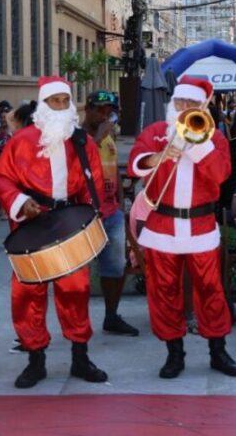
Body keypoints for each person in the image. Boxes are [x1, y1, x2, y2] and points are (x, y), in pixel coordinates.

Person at [0, 76, 108, 389]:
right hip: (31, 225)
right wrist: (20, 201)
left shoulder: (81, 142)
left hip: (69, 226)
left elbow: (93, 184)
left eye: (64, 101)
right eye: (53, 101)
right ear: (42, 105)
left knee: (76, 291)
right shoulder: (21, 141)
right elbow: (0, 178)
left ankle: (80, 357)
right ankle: (35, 360)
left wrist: (90, 221)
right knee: (28, 294)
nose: (59, 106)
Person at [127, 75, 236, 379]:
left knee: (211, 290)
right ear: (172, 102)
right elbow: (135, 164)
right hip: (162, 226)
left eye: (192, 103)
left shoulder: (215, 138)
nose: (184, 108)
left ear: (202, 106)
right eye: (180, 102)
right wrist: (159, 155)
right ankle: (174, 353)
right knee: (163, 291)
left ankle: (218, 351)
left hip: (201, 227)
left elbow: (220, 174)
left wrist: (197, 145)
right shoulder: (156, 132)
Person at [82, 90, 139, 337]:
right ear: (88, 109)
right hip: (85, 213)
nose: (106, 114)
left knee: (116, 266)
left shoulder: (107, 136)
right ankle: (78, 322)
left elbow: (112, 166)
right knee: (80, 271)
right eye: (101, 109)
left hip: (110, 210)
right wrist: (96, 138)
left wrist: (119, 201)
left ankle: (111, 315)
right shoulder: (77, 136)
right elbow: (78, 164)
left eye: (110, 110)